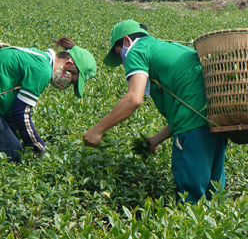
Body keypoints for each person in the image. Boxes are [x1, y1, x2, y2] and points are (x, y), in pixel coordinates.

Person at [83, 20, 227, 203]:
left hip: (193, 127)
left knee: (189, 196)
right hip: (216, 119)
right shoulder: (167, 48)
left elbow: (133, 99)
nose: (123, 61)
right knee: (214, 193)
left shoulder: (137, 50)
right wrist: (155, 139)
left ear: (126, 40)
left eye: (119, 55)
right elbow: (186, 109)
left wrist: (97, 130)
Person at [0, 37, 96, 163]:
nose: (67, 84)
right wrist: (38, 145)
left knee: (13, 141)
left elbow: (14, 110)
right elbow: (20, 112)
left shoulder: (40, 58)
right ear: (68, 63)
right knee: (12, 154)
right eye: (72, 81)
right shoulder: (43, 70)